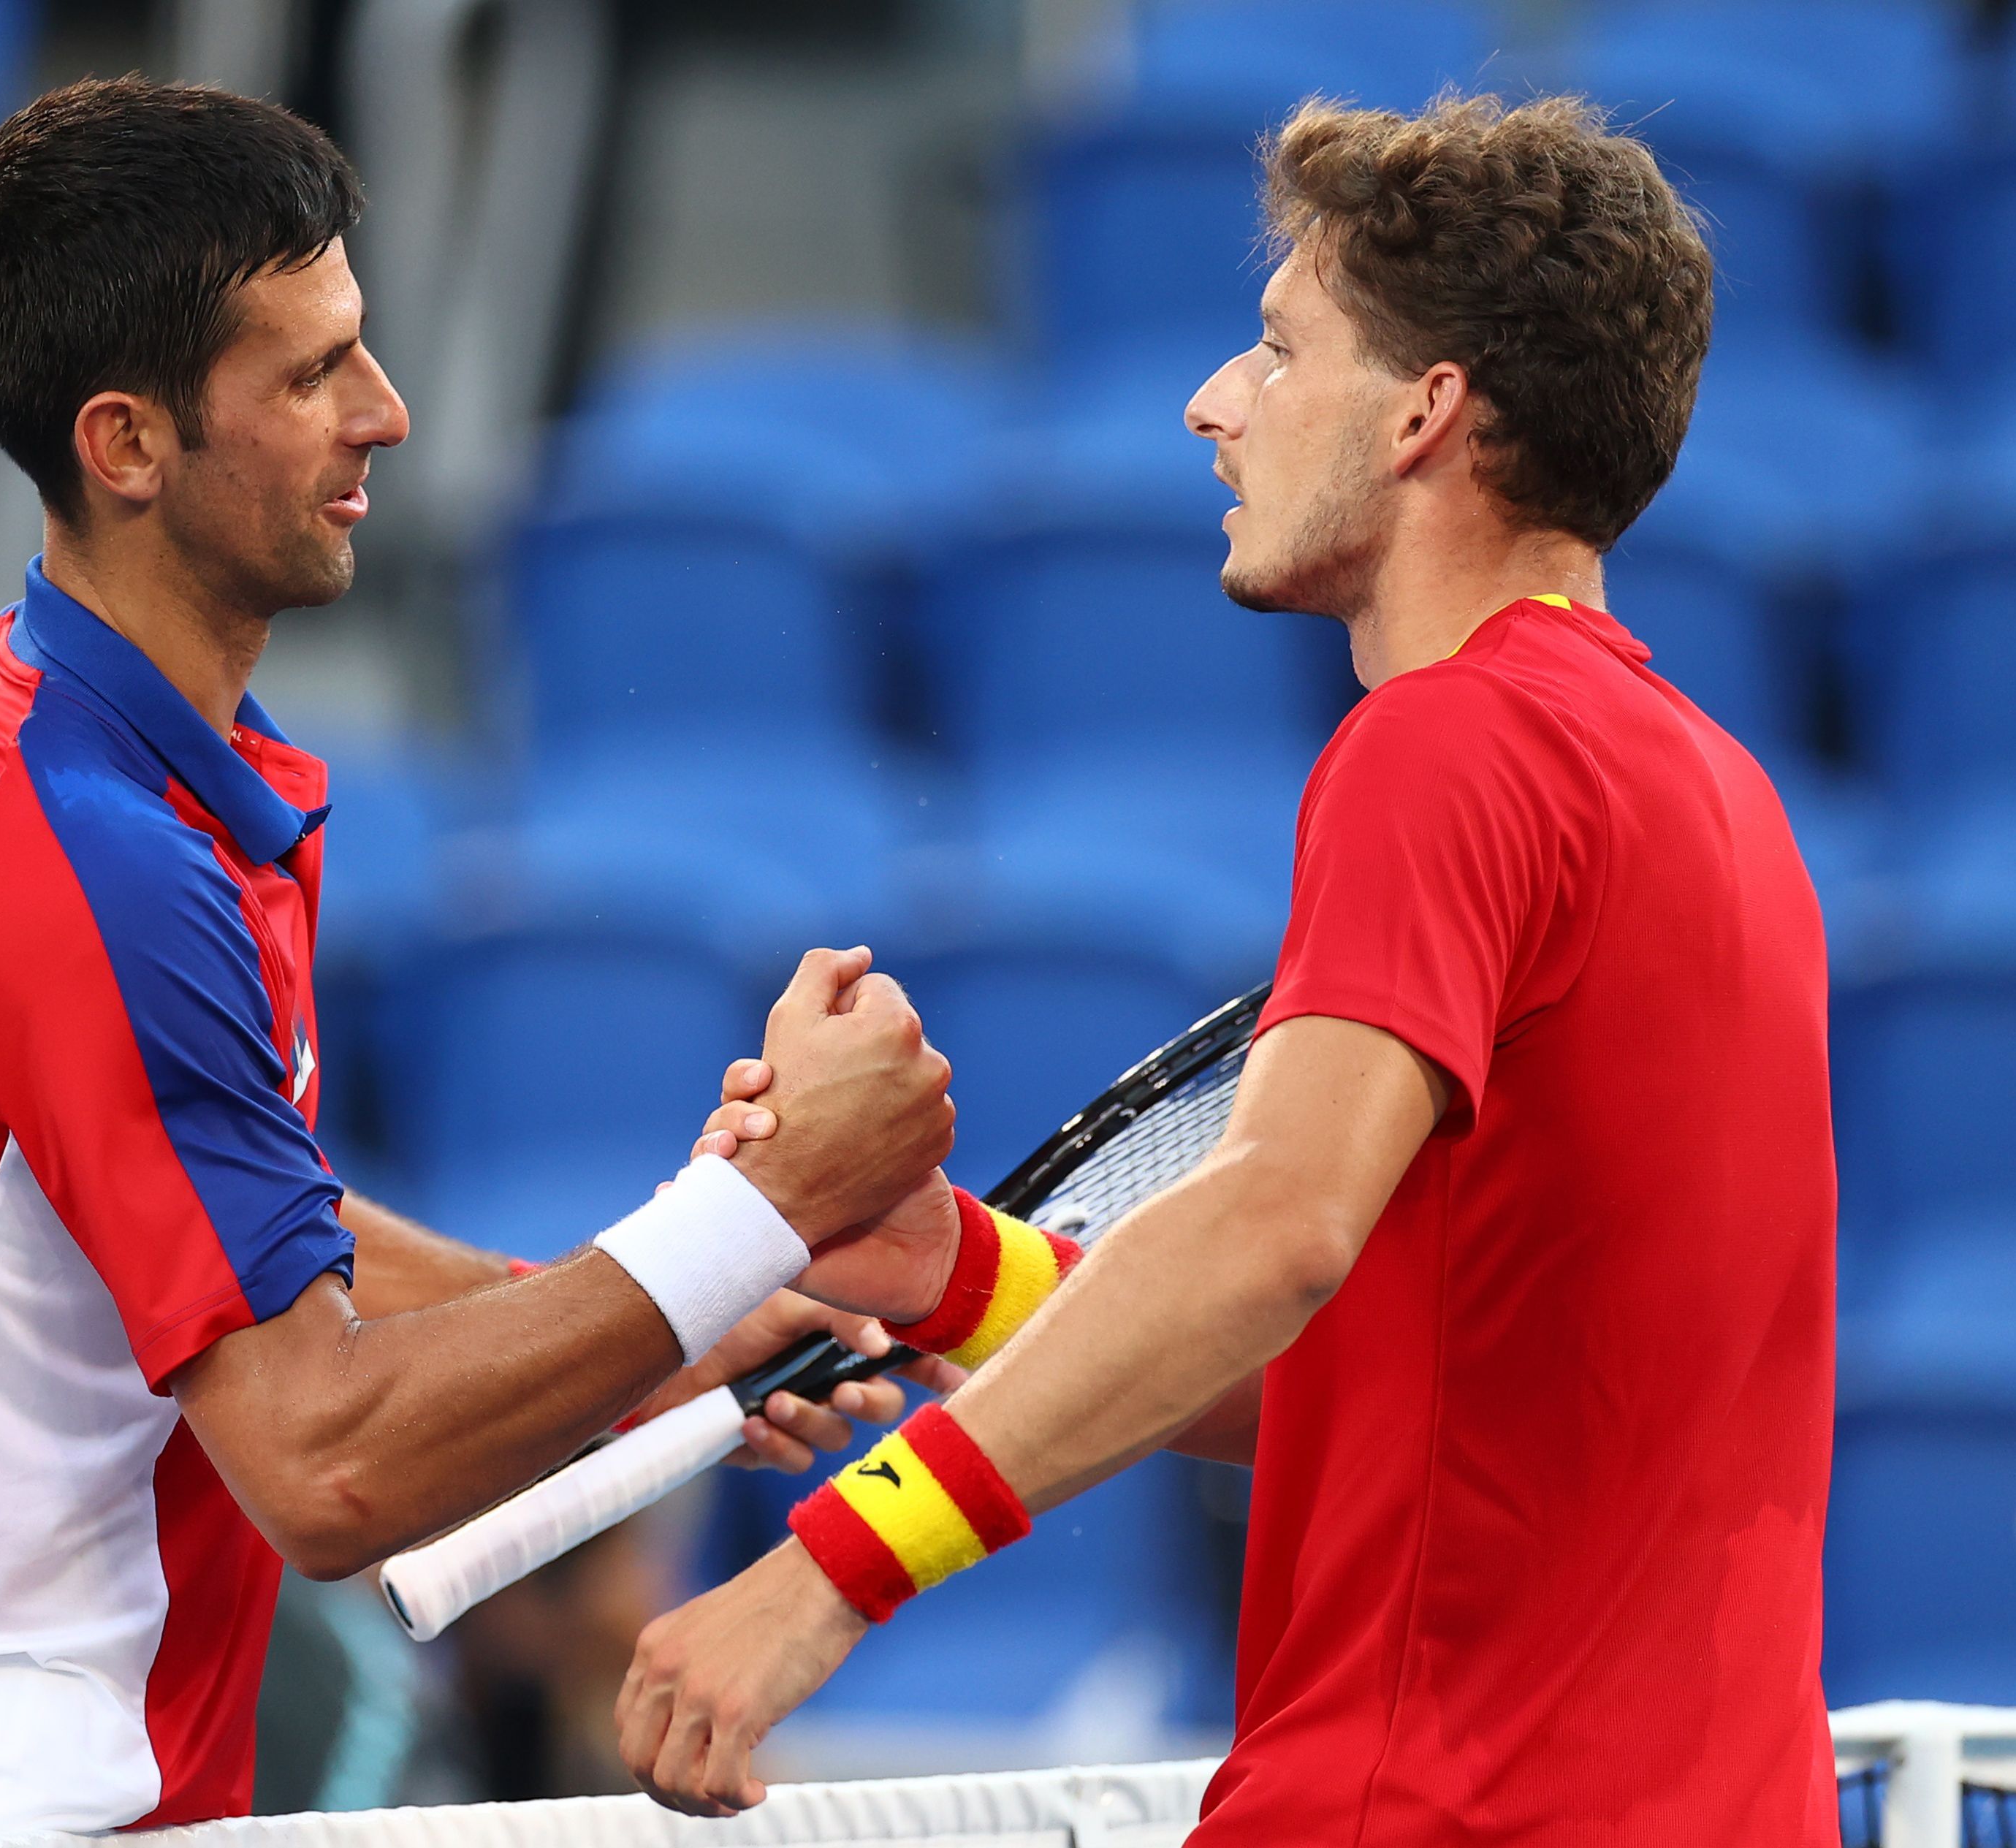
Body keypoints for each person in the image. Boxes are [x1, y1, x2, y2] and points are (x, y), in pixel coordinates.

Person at [0, 79, 966, 1845]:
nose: (389, 412)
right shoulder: (84, 854)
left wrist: (648, 1333)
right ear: (123, 445)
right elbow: (325, 1464)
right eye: (309, 375)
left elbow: (256, 1230)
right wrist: (755, 1206)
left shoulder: (87, 766)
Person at [620, 93, 1841, 1843]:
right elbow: (1402, 1410)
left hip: (1426, 1808)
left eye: (1278, 351)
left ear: (1426, 414)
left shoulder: (1441, 745)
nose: (1213, 402)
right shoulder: (1722, 799)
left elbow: (1270, 1223)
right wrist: (954, 1267)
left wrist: (829, 1566)